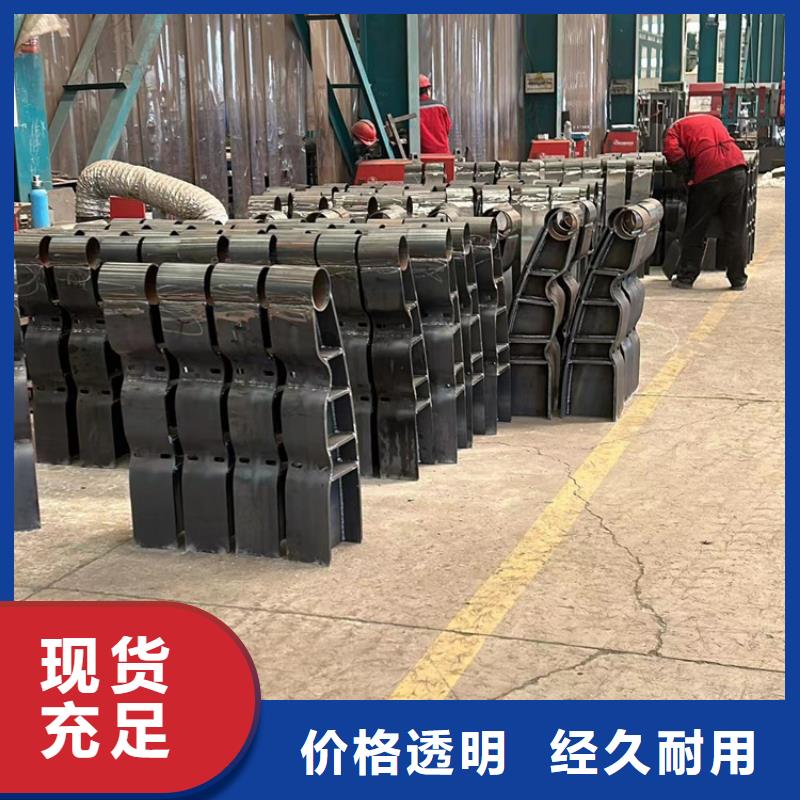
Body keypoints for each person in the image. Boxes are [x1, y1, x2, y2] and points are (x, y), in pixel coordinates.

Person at [662, 113, 749, 290]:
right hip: (737, 168)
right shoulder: (712, 120)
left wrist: (687, 175)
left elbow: (672, 153)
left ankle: (686, 277)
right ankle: (738, 279)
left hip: (709, 173)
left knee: (695, 228)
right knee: (735, 229)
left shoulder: (673, 131)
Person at [418, 74, 452, 154]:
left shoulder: (413, 109)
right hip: (443, 153)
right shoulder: (441, 107)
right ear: (428, 90)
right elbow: (448, 128)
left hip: (423, 155)